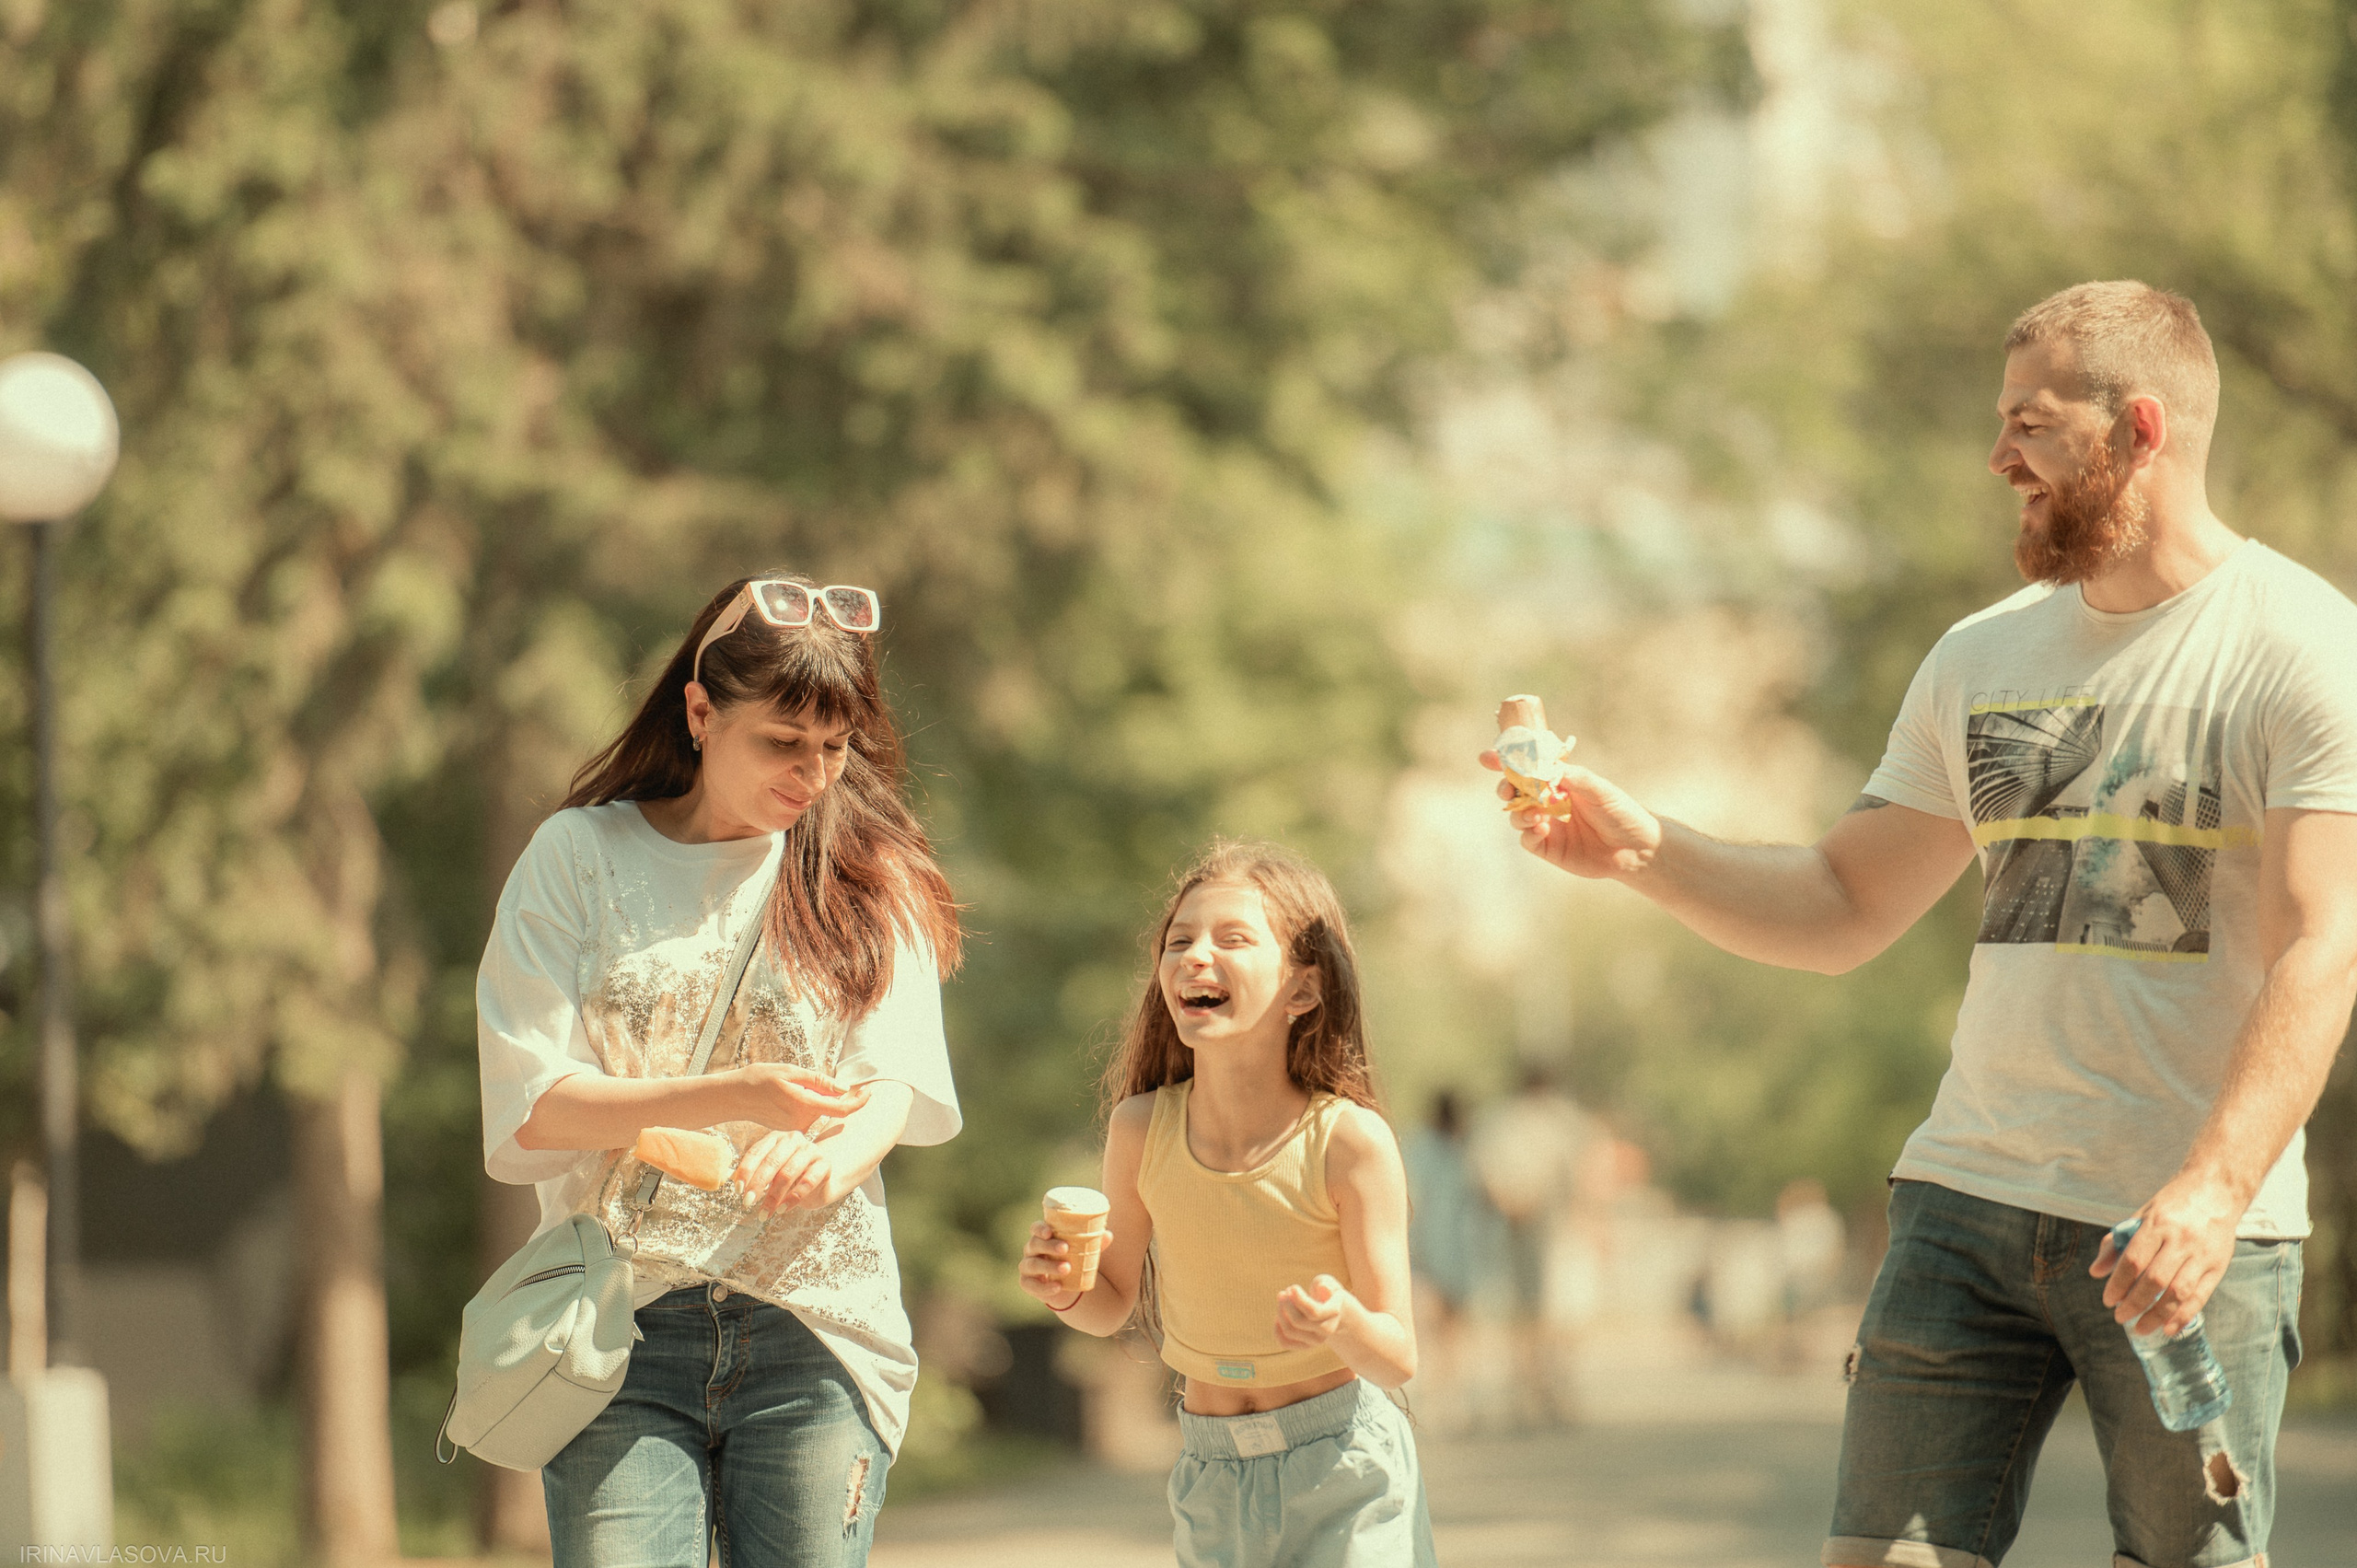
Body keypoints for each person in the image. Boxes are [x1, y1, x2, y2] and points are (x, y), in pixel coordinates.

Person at [1484, 282, 2357, 1568]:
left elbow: (2320, 941)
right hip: (1968, 1201)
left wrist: (2214, 1189)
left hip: (2185, 1240)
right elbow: (1843, 903)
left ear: (2143, 428)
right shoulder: (1979, 657)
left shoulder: (2298, 645)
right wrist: (1641, 851)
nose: (1998, 456)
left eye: (2032, 424)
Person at [476, 574, 965, 1568]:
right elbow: (534, 1105)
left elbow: (893, 1081)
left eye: (834, 746)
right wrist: (738, 1094)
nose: (813, 772)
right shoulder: (578, 854)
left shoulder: (873, 871)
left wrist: (835, 1158)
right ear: (700, 711)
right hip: (619, 1322)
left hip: (816, 1324)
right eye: (783, 742)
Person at [1016, 841, 1434, 1568]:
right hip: (1212, 1471)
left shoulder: (1349, 1141)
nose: (1194, 956)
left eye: (1232, 938)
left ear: (1303, 989)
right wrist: (1062, 1288)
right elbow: (1109, 1302)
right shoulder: (1141, 1128)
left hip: (1343, 1466)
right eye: (1179, 941)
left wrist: (1342, 1320)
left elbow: (1396, 1355)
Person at [1468, 1063, 1592, 1424]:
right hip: (1522, 1231)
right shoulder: (1511, 1122)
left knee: (1544, 1319)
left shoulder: (1548, 1120)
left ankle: (1546, 1393)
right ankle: (1534, 1394)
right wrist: (1512, 1204)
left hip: (1550, 1233)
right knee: (1530, 1318)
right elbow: (1486, 1177)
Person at [1402, 1089, 1496, 1428]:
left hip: (1445, 1252)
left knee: (1446, 1333)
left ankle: (1448, 1403)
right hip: (1440, 1253)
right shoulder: (1446, 1150)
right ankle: (1442, 1403)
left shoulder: (1443, 1149)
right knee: (1443, 1332)